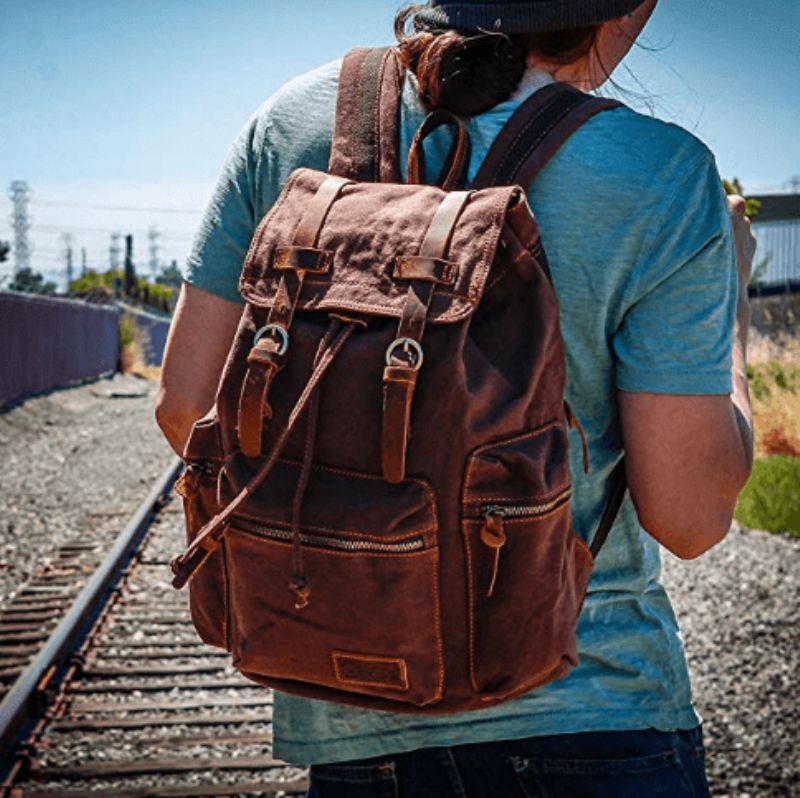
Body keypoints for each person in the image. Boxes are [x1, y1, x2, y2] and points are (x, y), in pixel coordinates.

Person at [156, 1, 756, 795]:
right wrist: (735, 325)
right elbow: (689, 516)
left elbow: (184, 407)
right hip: (588, 719)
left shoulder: (293, 122)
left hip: (346, 731)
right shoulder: (658, 171)